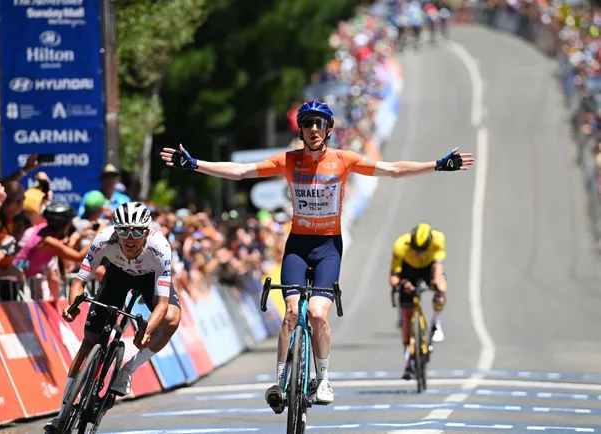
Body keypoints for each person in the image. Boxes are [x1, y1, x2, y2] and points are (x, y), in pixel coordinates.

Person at [160, 99, 474, 411]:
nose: (312, 129)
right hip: (298, 245)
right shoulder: (288, 160)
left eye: (318, 124)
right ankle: (281, 382)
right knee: (292, 313)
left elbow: (391, 169)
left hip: (328, 248)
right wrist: (196, 163)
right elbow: (241, 172)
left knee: (318, 315)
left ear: (328, 130)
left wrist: (437, 164)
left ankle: (323, 379)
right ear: (301, 130)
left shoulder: (343, 159)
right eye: (307, 124)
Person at [44, 201, 181, 432]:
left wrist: (146, 330)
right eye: (123, 230)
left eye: (136, 231)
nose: (129, 237)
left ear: (146, 232)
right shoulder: (104, 239)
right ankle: (62, 414)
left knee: (173, 320)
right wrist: (73, 305)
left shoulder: (160, 248)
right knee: (90, 341)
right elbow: (79, 282)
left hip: (149, 279)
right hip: (117, 276)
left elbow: (163, 304)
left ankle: (128, 370)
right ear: (115, 229)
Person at [389, 222, 447, 380]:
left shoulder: (438, 240)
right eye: (415, 249)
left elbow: (438, 268)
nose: (417, 253)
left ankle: (436, 323)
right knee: (407, 314)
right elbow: (393, 276)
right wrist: (401, 284)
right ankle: (407, 360)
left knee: (441, 284)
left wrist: (437, 288)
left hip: (429, 268)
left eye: (421, 251)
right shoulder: (401, 245)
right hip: (408, 272)